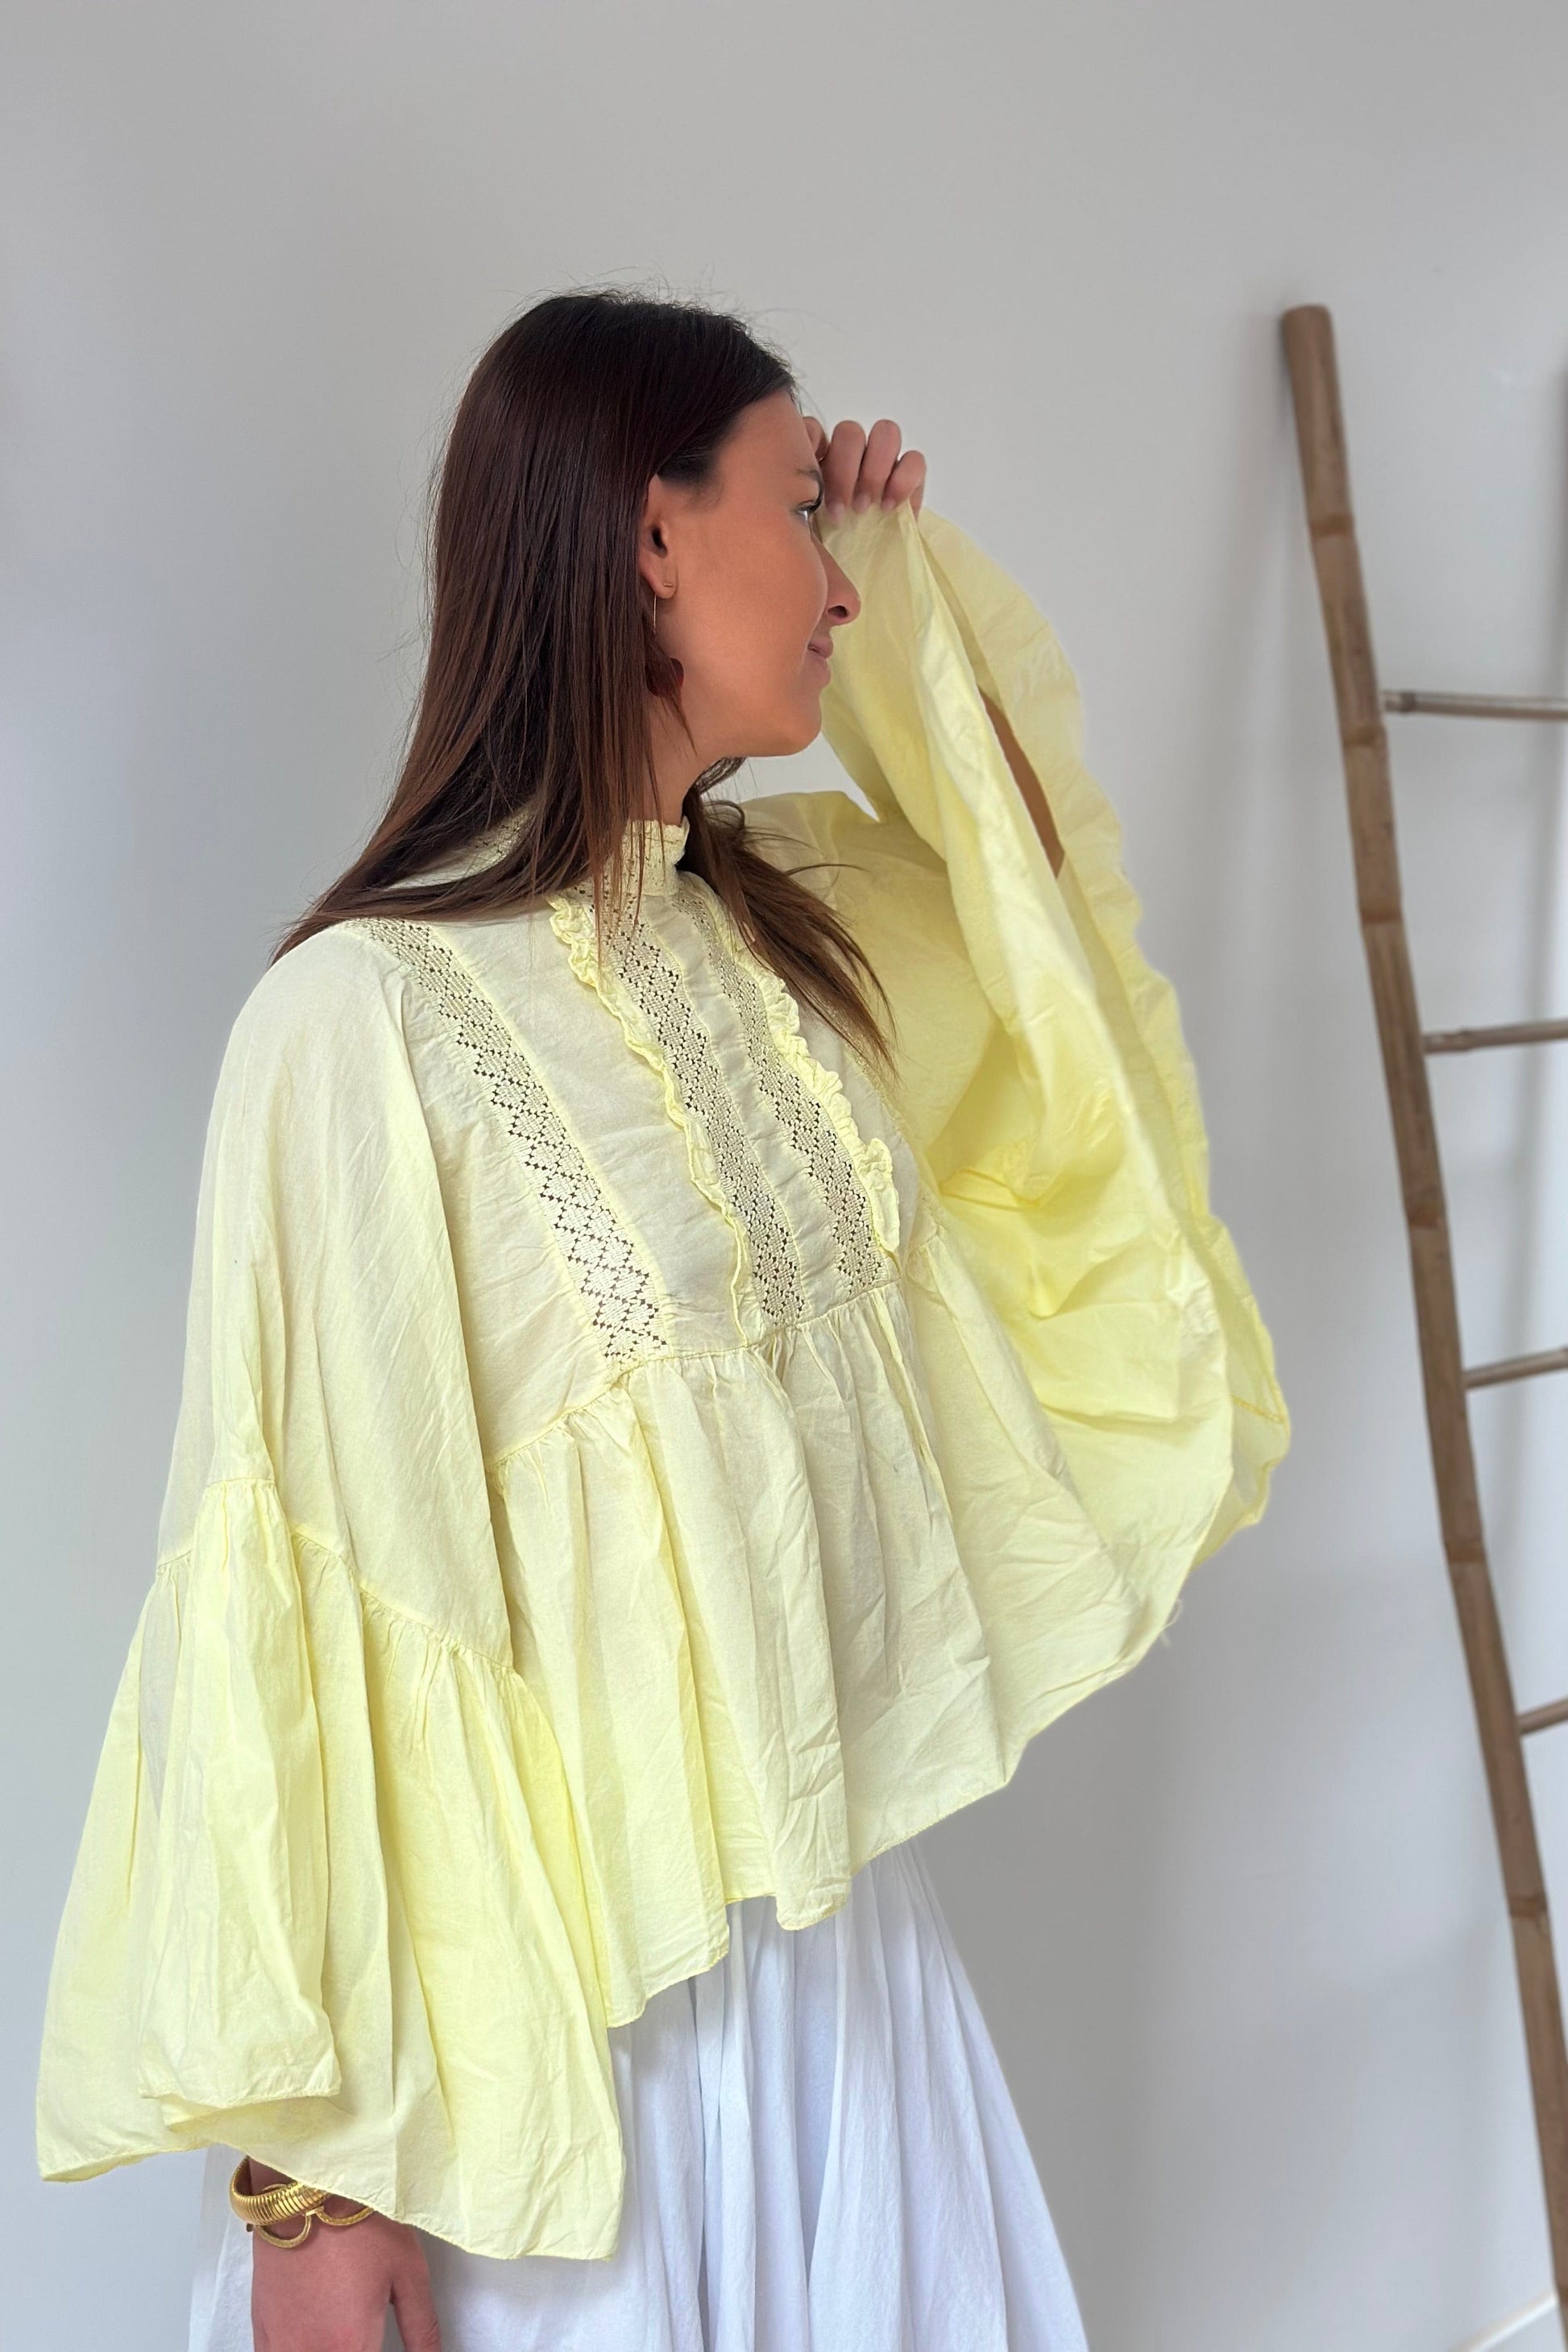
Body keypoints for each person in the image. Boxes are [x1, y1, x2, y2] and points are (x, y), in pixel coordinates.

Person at [35, 289, 1289, 2350]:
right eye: (798, 510)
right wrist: (308, 2185)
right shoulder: (359, 1025)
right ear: (647, 533)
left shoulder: (778, 931)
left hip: (845, 1990)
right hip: (550, 2082)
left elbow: (1041, 924)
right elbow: (302, 1603)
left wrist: (899, 566)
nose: (832, 587)